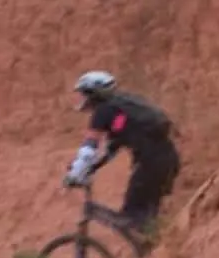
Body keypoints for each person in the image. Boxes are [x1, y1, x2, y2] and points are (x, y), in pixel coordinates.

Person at [62, 70, 181, 237]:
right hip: (167, 160)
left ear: (93, 94)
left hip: (150, 164)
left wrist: (75, 174)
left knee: (131, 217)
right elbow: (110, 151)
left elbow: (89, 149)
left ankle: (155, 247)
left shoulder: (103, 111)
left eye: (84, 94)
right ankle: (154, 251)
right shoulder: (121, 108)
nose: (83, 99)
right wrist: (90, 169)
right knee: (147, 218)